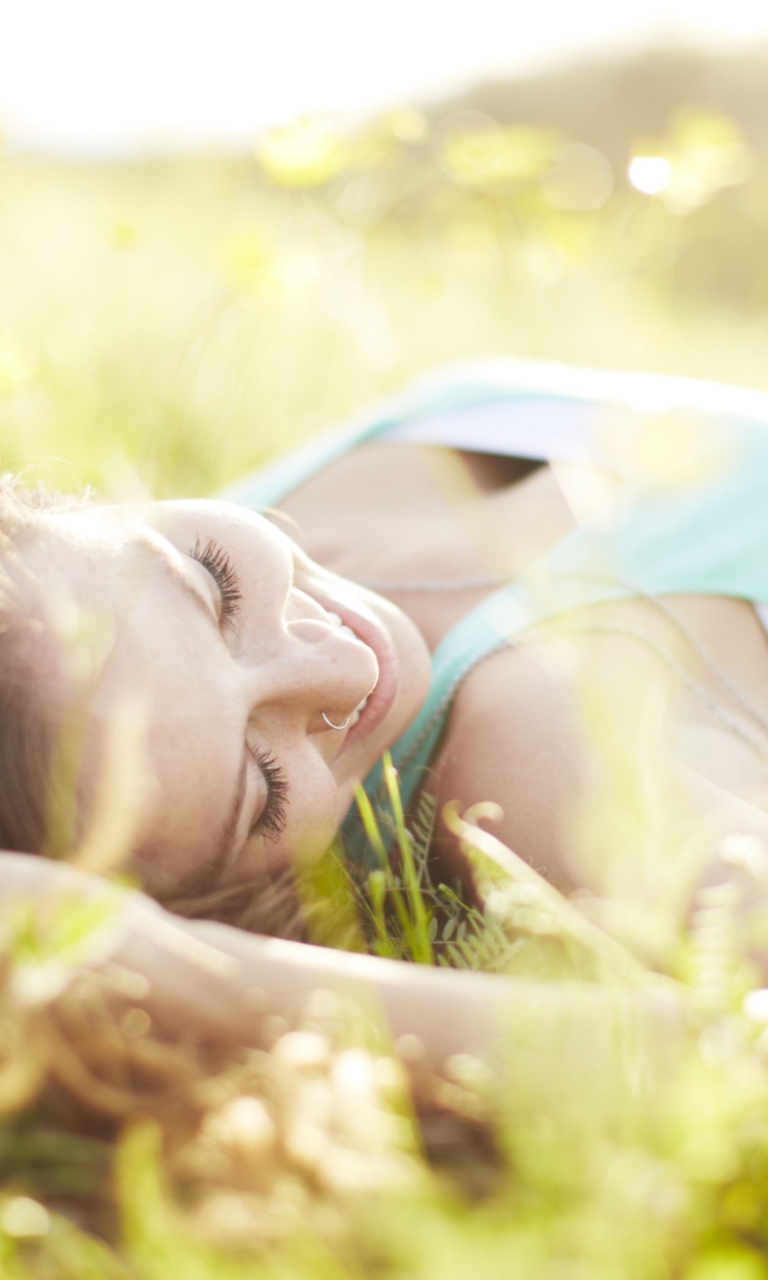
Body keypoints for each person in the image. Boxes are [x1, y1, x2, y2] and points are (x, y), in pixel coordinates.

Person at [3, 359, 768, 1067]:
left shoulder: (275, 508)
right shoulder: (528, 760)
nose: (348, 667)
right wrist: (158, 963)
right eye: (265, 788)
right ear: (220, 900)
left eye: (219, 586)